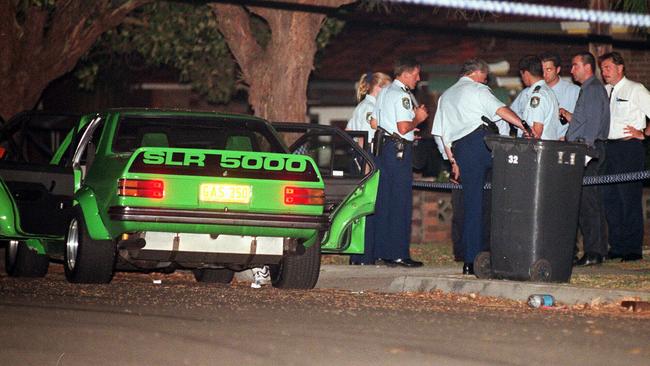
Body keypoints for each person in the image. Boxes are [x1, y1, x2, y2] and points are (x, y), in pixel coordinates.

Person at [432, 58, 528, 275]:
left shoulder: (446, 96)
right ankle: (501, 255)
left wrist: (453, 161)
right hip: (482, 144)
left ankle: (470, 260)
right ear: (477, 73)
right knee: (502, 199)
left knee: (472, 205)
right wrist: (523, 125)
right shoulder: (477, 90)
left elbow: (441, 134)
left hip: (461, 150)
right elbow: (501, 111)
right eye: (485, 78)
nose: (486, 82)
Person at [372, 57, 428, 267]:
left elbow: (378, 122)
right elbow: (403, 127)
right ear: (405, 74)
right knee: (400, 203)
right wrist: (418, 119)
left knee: (385, 202)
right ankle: (397, 253)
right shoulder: (402, 95)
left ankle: (381, 251)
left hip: (384, 149)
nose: (418, 79)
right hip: (398, 152)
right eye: (416, 74)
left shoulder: (385, 92)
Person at [559, 51, 610, 266]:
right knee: (587, 201)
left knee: (588, 203)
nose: (572, 70)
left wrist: (585, 150)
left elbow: (592, 124)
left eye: (575, 66)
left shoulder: (592, 90)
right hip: (586, 147)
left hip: (588, 150)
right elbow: (586, 120)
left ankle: (593, 252)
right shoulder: (589, 89)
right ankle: (595, 250)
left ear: (587, 67)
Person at [599, 51, 650, 262]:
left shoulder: (635, 89)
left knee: (628, 197)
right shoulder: (605, 91)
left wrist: (644, 134)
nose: (604, 73)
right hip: (608, 148)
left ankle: (632, 248)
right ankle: (617, 245)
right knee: (610, 197)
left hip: (628, 148)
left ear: (620, 68)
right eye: (602, 69)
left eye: (607, 68)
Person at [347, 71, 392, 265]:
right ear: (379, 87)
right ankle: (365, 255)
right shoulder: (369, 108)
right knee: (370, 208)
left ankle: (363, 254)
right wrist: (366, 162)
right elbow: (367, 136)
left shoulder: (362, 106)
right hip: (370, 158)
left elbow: (350, 131)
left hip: (364, 158)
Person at [517, 55, 562, 140]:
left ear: (526, 73)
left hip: (537, 149)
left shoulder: (537, 96)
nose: (522, 79)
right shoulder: (548, 91)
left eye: (521, 75)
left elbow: (536, 133)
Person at [540, 52, 580, 138]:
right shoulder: (531, 91)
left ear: (557, 70)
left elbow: (583, 121)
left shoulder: (573, 91)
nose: (544, 74)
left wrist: (568, 138)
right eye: (542, 70)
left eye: (548, 70)